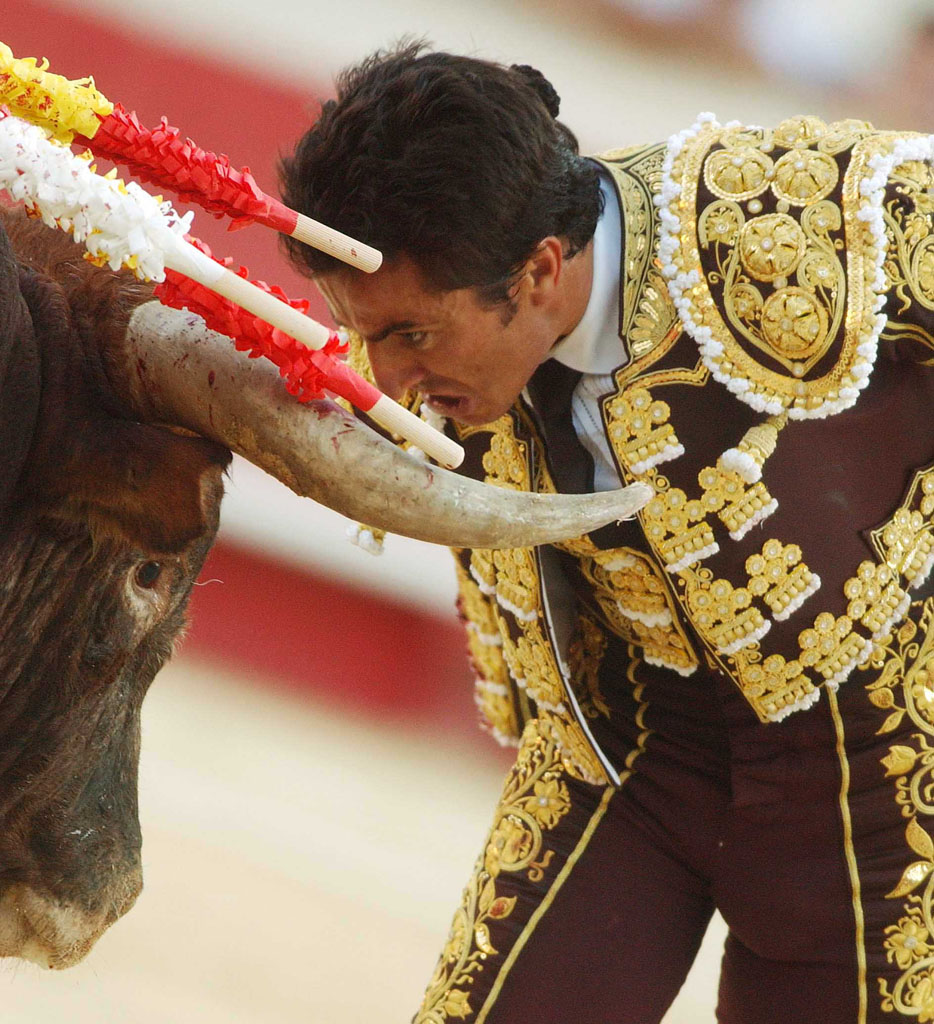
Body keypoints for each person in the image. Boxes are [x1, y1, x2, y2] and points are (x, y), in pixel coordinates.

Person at [280, 43, 934, 1023]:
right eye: (368, 333)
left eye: (413, 335)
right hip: (626, 753)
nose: (387, 381)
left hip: (877, 779)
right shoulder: (459, 327)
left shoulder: (784, 220)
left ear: (542, 269)